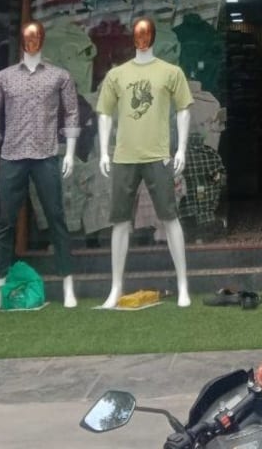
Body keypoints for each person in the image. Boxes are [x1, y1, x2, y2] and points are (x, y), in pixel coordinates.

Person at [97, 16, 193, 308]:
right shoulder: (117, 75)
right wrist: (104, 152)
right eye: (137, 33)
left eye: (146, 33)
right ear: (132, 37)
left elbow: (184, 110)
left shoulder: (171, 72)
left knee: (170, 217)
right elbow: (105, 113)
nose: (142, 38)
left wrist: (181, 150)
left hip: (158, 155)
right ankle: (115, 286)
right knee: (120, 222)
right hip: (124, 156)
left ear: (153, 37)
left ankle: (183, 284)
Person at [0, 20, 79, 310]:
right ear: (22, 41)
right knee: (5, 222)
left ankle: (68, 284)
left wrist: (70, 152)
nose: (32, 40)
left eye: (37, 36)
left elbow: (71, 113)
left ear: (43, 40)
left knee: (57, 218)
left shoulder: (59, 76)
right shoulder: (3, 78)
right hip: (12, 154)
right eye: (28, 36)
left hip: (46, 154)